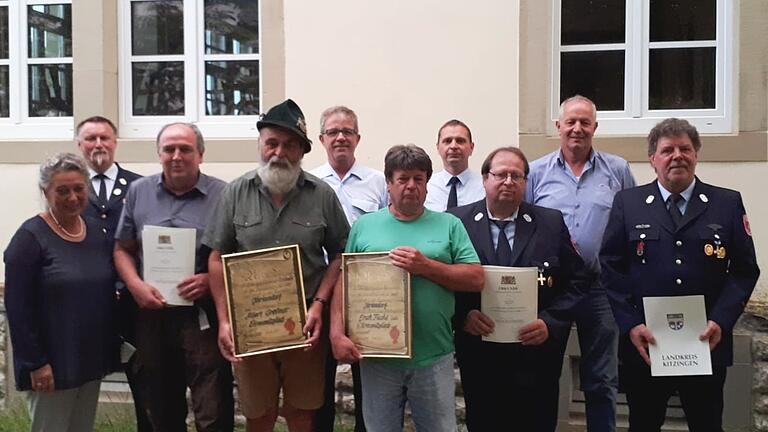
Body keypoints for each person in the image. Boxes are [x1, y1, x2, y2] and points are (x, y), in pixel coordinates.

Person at [600, 118, 760, 431]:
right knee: (643, 423)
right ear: (653, 159)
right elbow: (610, 265)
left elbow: (744, 269)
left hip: (705, 342)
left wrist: (721, 321)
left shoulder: (725, 203)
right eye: (668, 150)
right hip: (646, 344)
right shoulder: (628, 203)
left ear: (696, 154)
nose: (677, 156)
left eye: (685, 148)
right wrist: (631, 324)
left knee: (707, 423)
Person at [204, 99, 350, 432]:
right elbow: (216, 258)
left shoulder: (322, 195)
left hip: (305, 326)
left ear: (302, 150)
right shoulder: (235, 193)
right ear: (260, 145)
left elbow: (341, 254)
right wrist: (225, 321)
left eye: (289, 145)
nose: (278, 152)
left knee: (302, 413)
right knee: (259, 414)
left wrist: (320, 304)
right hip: (251, 326)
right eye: (271, 143)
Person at [331, 144, 484, 432]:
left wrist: (427, 266)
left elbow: (476, 278)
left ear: (427, 183)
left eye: (418, 179)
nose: (411, 186)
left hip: (434, 355)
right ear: (389, 183)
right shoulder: (364, 226)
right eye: (402, 179)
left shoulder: (449, 224)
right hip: (377, 356)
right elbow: (344, 281)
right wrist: (336, 333)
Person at [449, 147, 590, 431]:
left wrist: (550, 323)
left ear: (526, 182)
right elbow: (444, 282)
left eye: (517, 176)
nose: (509, 182)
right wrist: (462, 316)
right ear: (485, 178)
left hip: (535, 357)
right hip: (481, 355)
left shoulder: (549, 222)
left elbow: (578, 282)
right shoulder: (457, 222)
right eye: (501, 174)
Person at [114, 123, 234, 432]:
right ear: (159, 154)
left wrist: (210, 279)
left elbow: (235, 255)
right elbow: (122, 249)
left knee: (212, 404)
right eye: (169, 149)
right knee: (160, 403)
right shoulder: (139, 192)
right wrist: (135, 284)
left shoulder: (224, 194)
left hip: (201, 315)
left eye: (185, 149)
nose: (176, 156)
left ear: (201, 155)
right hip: (152, 314)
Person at [526, 95, 635, 431]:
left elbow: (630, 224)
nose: (577, 129)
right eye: (570, 122)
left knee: (602, 379)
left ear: (595, 128)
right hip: (552, 290)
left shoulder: (617, 170)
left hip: (600, 288)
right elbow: (526, 225)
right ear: (558, 127)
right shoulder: (536, 172)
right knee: (543, 374)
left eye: (584, 122)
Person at [4, 152, 119, 432]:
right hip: (51, 364)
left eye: (79, 189)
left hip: (89, 357)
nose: (72, 197)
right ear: (46, 192)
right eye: (62, 191)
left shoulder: (94, 231)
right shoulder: (29, 238)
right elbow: (18, 309)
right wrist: (36, 363)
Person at [310, 105, 386, 432]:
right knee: (318, 379)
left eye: (347, 132)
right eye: (333, 132)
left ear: (358, 138)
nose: (340, 137)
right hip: (321, 294)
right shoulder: (309, 183)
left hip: (366, 294)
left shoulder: (378, 182)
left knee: (367, 379)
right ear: (321, 139)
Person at [75, 115, 149, 432]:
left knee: (144, 379)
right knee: (80, 381)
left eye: (104, 138)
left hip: (131, 301)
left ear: (115, 142)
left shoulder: (140, 186)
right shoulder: (68, 188)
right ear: (80, 145)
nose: (98, 145)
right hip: (87, 303)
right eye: (90, 139)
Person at [424, 119, 485, 211]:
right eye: (447, 141)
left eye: (460, 141)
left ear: (471, 148)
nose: (453, 146)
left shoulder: (484, 187)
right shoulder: (427, 186)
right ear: (438, 148)